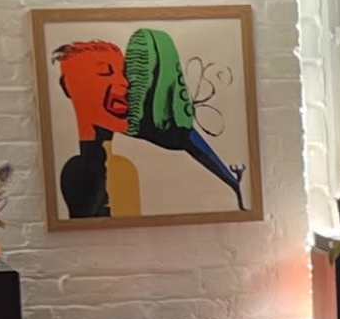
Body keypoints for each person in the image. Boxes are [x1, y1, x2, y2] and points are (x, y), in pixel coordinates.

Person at [57, 30, 249, 217]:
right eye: (104, 72)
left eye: (125, 73)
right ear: (68, 86)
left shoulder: (127, 167)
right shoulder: (79, 172)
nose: (125, 84)